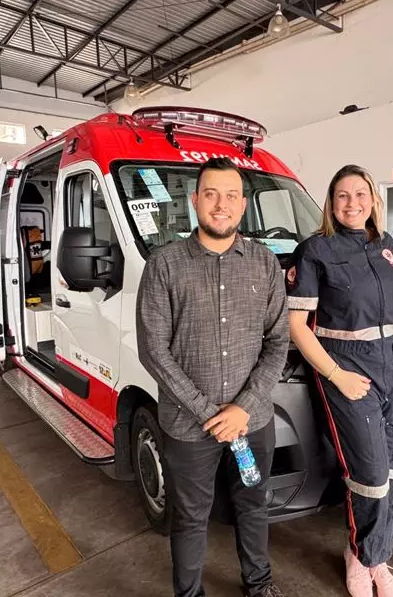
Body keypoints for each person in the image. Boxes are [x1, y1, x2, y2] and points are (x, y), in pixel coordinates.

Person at [137, 157, 289, 597]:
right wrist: (210, 414)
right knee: (189, 516)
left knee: (253, 505)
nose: (220, 205)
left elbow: (277, 342)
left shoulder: (264, 264)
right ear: (193, 202)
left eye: (231, 196)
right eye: (211, 194)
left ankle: (258, 584)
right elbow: (154, 352)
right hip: (188, 428)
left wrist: (241, 408)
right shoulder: (164, 266)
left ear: (243, 206)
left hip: (251, 423)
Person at [287, 165, 393, 597]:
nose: (353, 203)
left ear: (374, 199)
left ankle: (375, 556)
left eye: (361, 194)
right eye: (343, 195)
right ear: (330, 202)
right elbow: (298, 326)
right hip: (348, 370)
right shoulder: (314, 251)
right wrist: (338, 375)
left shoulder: (388, 245)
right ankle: (360, 557)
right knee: (370, 474)